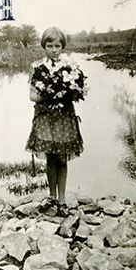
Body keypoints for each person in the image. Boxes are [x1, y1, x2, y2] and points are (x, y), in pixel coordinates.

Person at [25, 27, 84, 217]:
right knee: (50, 155)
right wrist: (52, 92)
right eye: (49, 45)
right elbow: (33, 96)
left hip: (64, 116)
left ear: (63, 47)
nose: (54, 49)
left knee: (62, 156)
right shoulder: (36, 67)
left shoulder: (71, 67)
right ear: (44, 46)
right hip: (44, 116)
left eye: (58, 45)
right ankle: (51, 196)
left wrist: (70, 90)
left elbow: (76, 93)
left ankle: (62, 199)